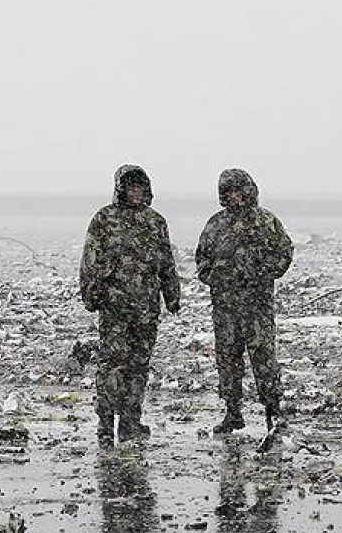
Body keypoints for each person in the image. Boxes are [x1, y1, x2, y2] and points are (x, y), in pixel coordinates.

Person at [80, 165, 181, 445]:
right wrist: (90, 294)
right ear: (121, 189)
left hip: (147, 308)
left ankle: (130, 421)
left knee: (138, 366)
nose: (135, 192)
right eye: (131, 187)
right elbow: (90, 259)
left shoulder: (155, 222)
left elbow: (166, 261)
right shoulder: (104, 219)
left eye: (140, 187)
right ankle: (105, 422)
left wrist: (172, 294)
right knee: (112, 365)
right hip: (114, 308)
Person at [196, 169, 293, 434]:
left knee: (263, 358)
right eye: (229, 192)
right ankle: (232, 412)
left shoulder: (265, 221)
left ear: (248, 191)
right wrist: (218, 276)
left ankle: (273, 411)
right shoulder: (215, 225)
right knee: (228, 359)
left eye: (238, 190)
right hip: (225, 308)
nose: (234, 196)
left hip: (257, 306)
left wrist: (261, 273)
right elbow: (202, 260)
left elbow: (284, 252)